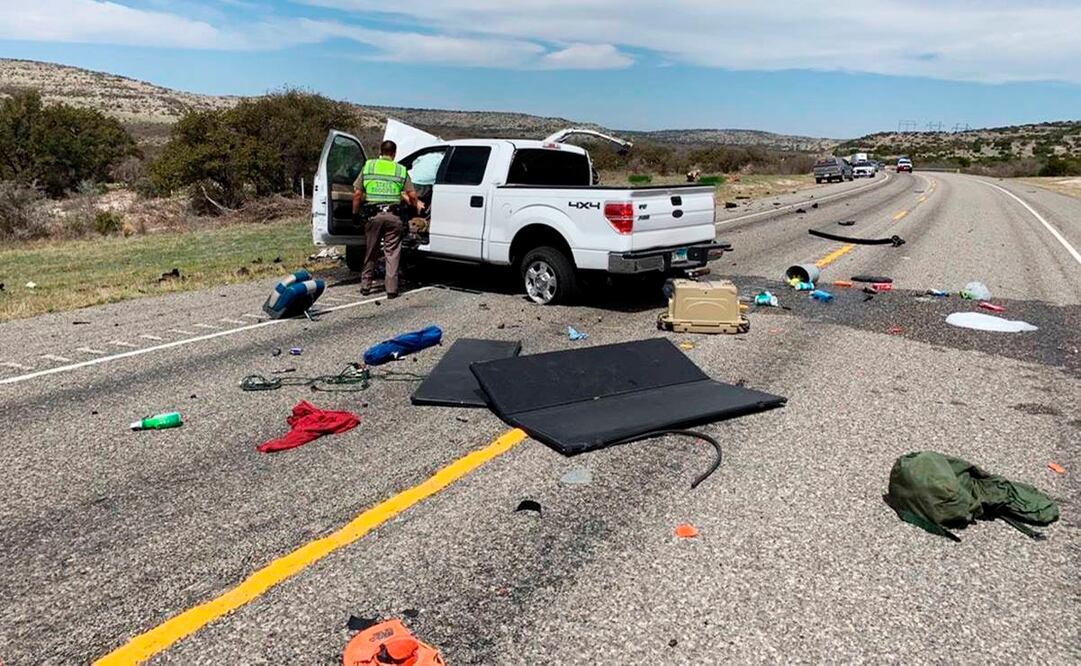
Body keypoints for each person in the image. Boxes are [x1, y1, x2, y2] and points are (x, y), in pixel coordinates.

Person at [352, 140, 425, 298]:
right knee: (392, 253)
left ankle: (365, 286)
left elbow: (357, 194)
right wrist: (414, 207)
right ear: (394, 153)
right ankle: (391, 290)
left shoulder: (369, 166)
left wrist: (355, 214)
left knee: (371, 251)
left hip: (373, 215)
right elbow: (412, 195)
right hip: (394, 216)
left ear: (381, 151)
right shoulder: (400, 170)